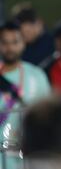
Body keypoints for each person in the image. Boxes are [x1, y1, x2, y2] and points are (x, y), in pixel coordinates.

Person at [0, 21, 50, 156]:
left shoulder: (37, 75)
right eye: (4, 43)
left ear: (23, 44)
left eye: (15, 42)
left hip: (26, 159)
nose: (10, 48)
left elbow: (47, 117)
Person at [10, 2, 54, 66]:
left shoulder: (53, 44)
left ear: (39, 23)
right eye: (21, 24)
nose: (26, 28)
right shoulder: (19, 46)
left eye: (30, 23)